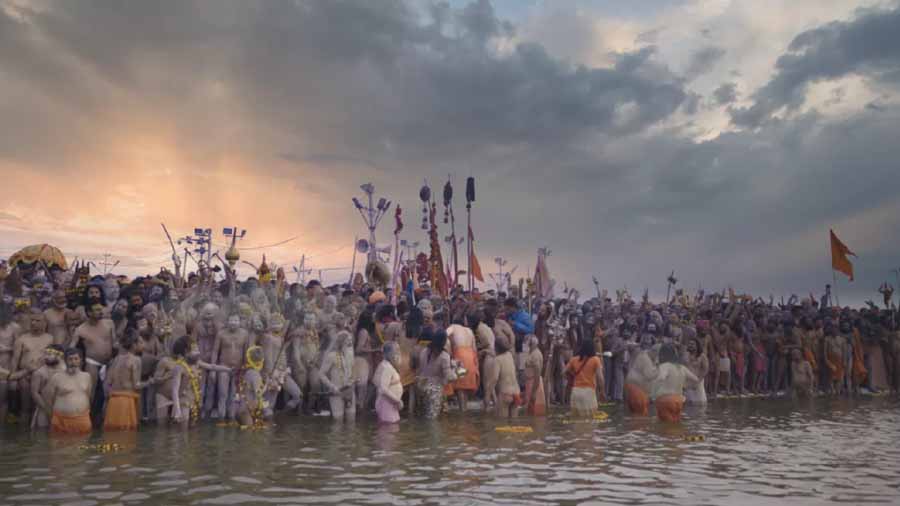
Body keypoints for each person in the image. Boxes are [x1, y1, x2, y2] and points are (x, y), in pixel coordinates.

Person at [171, 336, 232, 428]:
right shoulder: (179, 367)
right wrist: (177, 410)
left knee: (194, 428)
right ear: (186, 353)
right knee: (183, 428)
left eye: (198, 349)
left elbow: (212, 367)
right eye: (195, 350)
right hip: (183, 401)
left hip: (195, 400)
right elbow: (175, 390)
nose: (198, 353)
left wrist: (228, 369)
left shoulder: (197, 363)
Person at [104, 332, 156, 431]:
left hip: (113, 402)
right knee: (127, 436)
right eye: (140, 342)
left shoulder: (116, 359)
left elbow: (108, 382)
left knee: (112, 435)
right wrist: (149, 382)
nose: (143, 345)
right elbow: (136, 385)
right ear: (133, 345)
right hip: (126, 402)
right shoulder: (136, 360)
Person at [10, 312, 54, 422]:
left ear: (45, 323)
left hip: (43, 376)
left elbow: (55, 357)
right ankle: (23, 431)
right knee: (25, 407)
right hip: (24, 375)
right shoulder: (22, 339)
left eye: (37, 320)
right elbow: (15, 360)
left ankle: (37, 431)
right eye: (32, 320)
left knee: (39, 407)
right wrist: (13, 379)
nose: (33, 323)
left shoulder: (50, 338)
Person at [45, 348, 93, 435]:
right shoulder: (57, 377)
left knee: (82, 442)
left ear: (80, 360)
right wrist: (52, 417)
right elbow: (48, 399)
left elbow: (88, 396)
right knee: (58, 443)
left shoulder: (87, 376)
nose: (73, 362)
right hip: (60, 420)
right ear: (65, 361)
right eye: (70, 359)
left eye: (76, 359)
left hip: (82, 419)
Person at [651, 344, 699, 423]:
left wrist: (652, 393)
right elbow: (696, 379)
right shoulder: (682, 367)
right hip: (679, 401)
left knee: (665, 426)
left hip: (665, 400)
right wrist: (685, 385)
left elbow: (661, 377)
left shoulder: (665, 366)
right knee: (676, 425)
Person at [319, 330, 356, 421]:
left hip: (349, 391)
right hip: (336, 392)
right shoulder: (331, 356)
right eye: (348, 340)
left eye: (351, 340)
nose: (350, 343)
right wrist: (332, 387)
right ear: (341, 342)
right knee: (337, 422)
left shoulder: (350, 354)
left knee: (351, 421)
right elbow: (321, 374)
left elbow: (352, 371)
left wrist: (352, 383)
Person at [416, 329, 452, 419]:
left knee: (425, 415)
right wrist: (459, 372)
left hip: (422, 386)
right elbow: (449, 377)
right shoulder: (444, 356)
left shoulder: (424, 351)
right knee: (432, 419)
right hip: (434, 390)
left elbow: (421, 370)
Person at [564, 338, 604, 417]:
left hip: (575, 392)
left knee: (575, 419)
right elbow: (600, 378)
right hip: (588, 393)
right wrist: (602, 391)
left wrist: (571, 378)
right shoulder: (595, 360)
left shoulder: (574, 359)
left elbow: (564, 372)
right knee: (590, 420)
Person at [29, 344, 66, 429]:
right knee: (41, 433)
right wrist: (47, 410)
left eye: (49, 354)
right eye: (45, 354)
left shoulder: (66, 370)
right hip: (44, 408)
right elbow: (35, 393)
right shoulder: (39, 373)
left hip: (63, 407)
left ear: (59, 356)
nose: (45, 357)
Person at [447, 316, 479, 412]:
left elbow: (444, 336)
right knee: (466, 386)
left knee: (460, 387)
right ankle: (465, 408)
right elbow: (474, 348)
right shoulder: (469, 330)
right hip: (471, 357)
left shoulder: (452, 327)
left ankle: (462, 412)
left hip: (460, 357)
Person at [625, 333, 657, 415]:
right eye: (646, 341)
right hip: (638, 388)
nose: (647, 343)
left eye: (648, 341)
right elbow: (649, 375)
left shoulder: (643, 353)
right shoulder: (639, 352)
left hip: (636, 386)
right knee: (640, 414)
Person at [234, 346, 266, 428]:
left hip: (241, 408)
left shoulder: (247, 371)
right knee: (249, 433)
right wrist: (267, 385)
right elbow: (258, 393)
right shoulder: (255, 374)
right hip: (246, 411)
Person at [373, 341, 403, 423]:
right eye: (397, 351)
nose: (399, 354)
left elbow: (375, 381)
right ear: (391, 354)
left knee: (391, 427)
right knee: (389, 427)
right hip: (387, 405)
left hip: (389, 404)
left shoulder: (385, 365)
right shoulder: (387, 367)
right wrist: (398, 401)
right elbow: (383, 389)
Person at [495, 334, 520, 418]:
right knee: (514, 422)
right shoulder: (510, 355)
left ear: (496, 347)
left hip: (505, 393)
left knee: (502, 423)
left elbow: (494, 378)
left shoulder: (498, 359)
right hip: (516, 392)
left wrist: (488, 394)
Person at [522, 334, 545, 416]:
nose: (524, 344)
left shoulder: (536, 355)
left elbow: (537, 374)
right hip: (530, 383)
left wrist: (534, 392)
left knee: (535, 412)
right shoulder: (531, 353)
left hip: (534, 384)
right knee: (529, 411)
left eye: (525, 342)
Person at [683, 337, 709, 405]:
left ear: (697, 346)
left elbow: (705, 370)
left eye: (692, 344)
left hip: (698, 383)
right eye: (689, 344)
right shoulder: (685, 355)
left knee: (699, 404)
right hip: (687, 384)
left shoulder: (702, 356)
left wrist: (698, 381)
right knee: (687, 405)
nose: (690, 345)